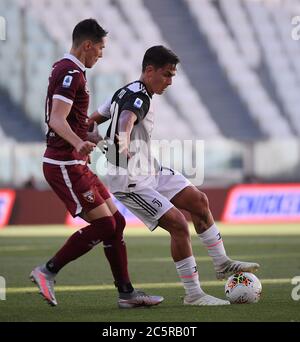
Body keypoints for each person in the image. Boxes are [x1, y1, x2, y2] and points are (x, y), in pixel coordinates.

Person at [89, 45, 260, 306]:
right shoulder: (139, 98)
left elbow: (94, 120)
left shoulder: (124, 91)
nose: (170, 81)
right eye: (167, 75)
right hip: (130, 180)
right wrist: (119, 144)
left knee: (198, 201)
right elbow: (125, 119)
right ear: (149, 70)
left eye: (172, 76)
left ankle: (222, 263)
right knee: (179, 224)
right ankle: (193, 294)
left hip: (150, 170)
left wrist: (96, 139)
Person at [30, 20, 163, 309]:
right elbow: (56, 120)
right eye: (100, 48)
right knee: (104, 224)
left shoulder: (67, 70)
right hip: (63, 162)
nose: (101, 55)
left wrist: (92, 138)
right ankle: (47, 271)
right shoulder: (70, 72)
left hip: (75, 160)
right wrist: (78, 143)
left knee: (116, 223)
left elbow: (72, 120)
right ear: (88, 45)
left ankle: (127, 294)